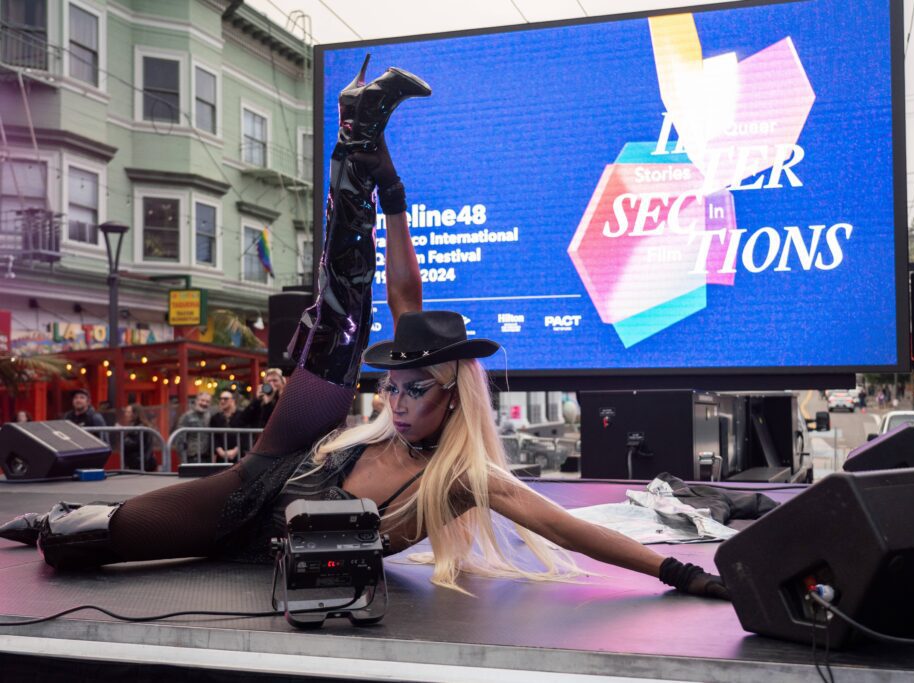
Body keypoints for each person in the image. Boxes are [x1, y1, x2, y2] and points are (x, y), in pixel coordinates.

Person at [0, 60, 725, 600]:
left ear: (452, 394)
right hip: (272, 470)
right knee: (341, 320)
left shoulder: (465, 481)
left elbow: (567, 527)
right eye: (393, 385)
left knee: (72, 543)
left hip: (262, 539)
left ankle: (59, 520)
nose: (396, 398)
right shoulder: (388, 418)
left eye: (416, 388)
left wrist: (678, 571)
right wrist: (396, 193)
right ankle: (359, 137)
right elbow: (403, 293)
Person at [174, 392, 212, 463]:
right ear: (196, 401)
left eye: (207, 401)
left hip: (207, 457)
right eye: (202, 400)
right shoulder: (186, 417)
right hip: (192, 457)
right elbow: (180, 440)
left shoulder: (210, 416)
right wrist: (183, 461)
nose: (204, 403)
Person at [119, 404, 158, 472]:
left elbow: (133, 444)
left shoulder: (139, 428)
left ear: (135, 414)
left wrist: (123, 438)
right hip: (140, 463)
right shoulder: (137, 426)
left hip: (140, 463)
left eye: (128, 412)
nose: (126, 414)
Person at [211, 391, 246, 462]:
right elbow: (214, 437)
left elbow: (245, 435)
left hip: (239, 456)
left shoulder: (242, 415)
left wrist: (235, 451)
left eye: (225, 399)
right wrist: (221, 452)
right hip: (221, 457)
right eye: (221, 399)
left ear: (233, 400)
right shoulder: (215, 418)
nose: (222, 401)